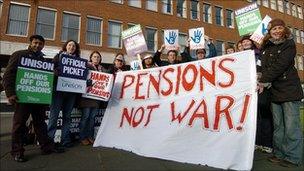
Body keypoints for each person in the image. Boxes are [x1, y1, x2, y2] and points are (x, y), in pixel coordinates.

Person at [2, 35, 63, 162]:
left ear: (43, 45)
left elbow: (48, 77)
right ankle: (17, 152)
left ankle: (46, 147)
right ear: (30, 43)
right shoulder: (19, 55)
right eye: (35, 43)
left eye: (40, 43)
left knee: (40, 123)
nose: (37, 45)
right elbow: (8, 75)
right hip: (22, 97)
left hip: (39, 98)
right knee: (19, 125)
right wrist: (10, 93)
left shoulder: (44, 60)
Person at [258, 18, 303, 167]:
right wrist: (259, 76)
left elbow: (279, 66)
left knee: (291, 127)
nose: (277, 31)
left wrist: (263, 79)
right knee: (278, 127)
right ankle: (279, 153)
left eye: (279, 28)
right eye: (273, 29)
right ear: (269, 32)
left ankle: (292, 157)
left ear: (284, 29)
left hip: (289, 90)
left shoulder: (289, 44)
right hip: (274, 92)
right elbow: (264, 68)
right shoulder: (266, 47)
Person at [241, 35, 274, 154]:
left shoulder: (259, 54)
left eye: (247, 41)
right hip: (248, 89)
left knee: (264, 114)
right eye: (243, 41)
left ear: (252, 42)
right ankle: (256, 141)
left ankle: (267, 143)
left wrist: (260, 81)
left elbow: (262, 69)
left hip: (261, 87)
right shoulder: (240, 57)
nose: (245, 43)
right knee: (252, 116)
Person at [47, 40, 81, 149]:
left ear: (76, 48)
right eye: (70, 45)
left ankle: (65, 140)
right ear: (66, 46)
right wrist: (55, 71)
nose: (71, 47)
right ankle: (49, 141)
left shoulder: (79, 61)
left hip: (71, 93)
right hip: (58, 92)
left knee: (67, 117)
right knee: (54, 116)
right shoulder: (58, 57)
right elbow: (50, 69)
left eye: (74, 46)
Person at [78, 51, 106, 145]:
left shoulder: (102, 69)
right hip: (87, 97)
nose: (96, 58)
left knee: (92, 118)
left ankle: (90, 136)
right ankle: (82, 137)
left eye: (98, 57)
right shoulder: (86, 66)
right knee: (85, 117)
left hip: (96, 97)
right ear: (91, 58)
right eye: (94, 57)